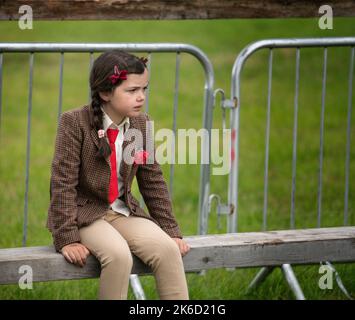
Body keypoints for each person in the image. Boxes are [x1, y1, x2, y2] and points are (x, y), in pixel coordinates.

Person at [46, 50, 190, 300]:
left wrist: (171, 231)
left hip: (123, 211)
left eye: (144, 89)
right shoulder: (74, 123)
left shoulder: (141, 125)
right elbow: (62, 184)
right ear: (105, 93)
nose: (141, 97)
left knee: (167, 250)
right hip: (85, 215)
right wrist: (67, 238)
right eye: (132, 90)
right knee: (119, 255)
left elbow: (153, 182)